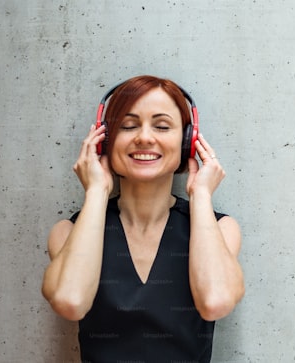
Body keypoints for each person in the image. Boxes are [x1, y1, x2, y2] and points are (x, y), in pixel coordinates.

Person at [41, 75, 244, 362]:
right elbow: (70, 302)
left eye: (162, 126)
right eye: (128, 126)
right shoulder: (68, 232)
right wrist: (97, 191)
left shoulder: (221, 229)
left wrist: (201, 197)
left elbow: (215, 302)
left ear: (188, 141)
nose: (144, 137)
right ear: (104, 141)